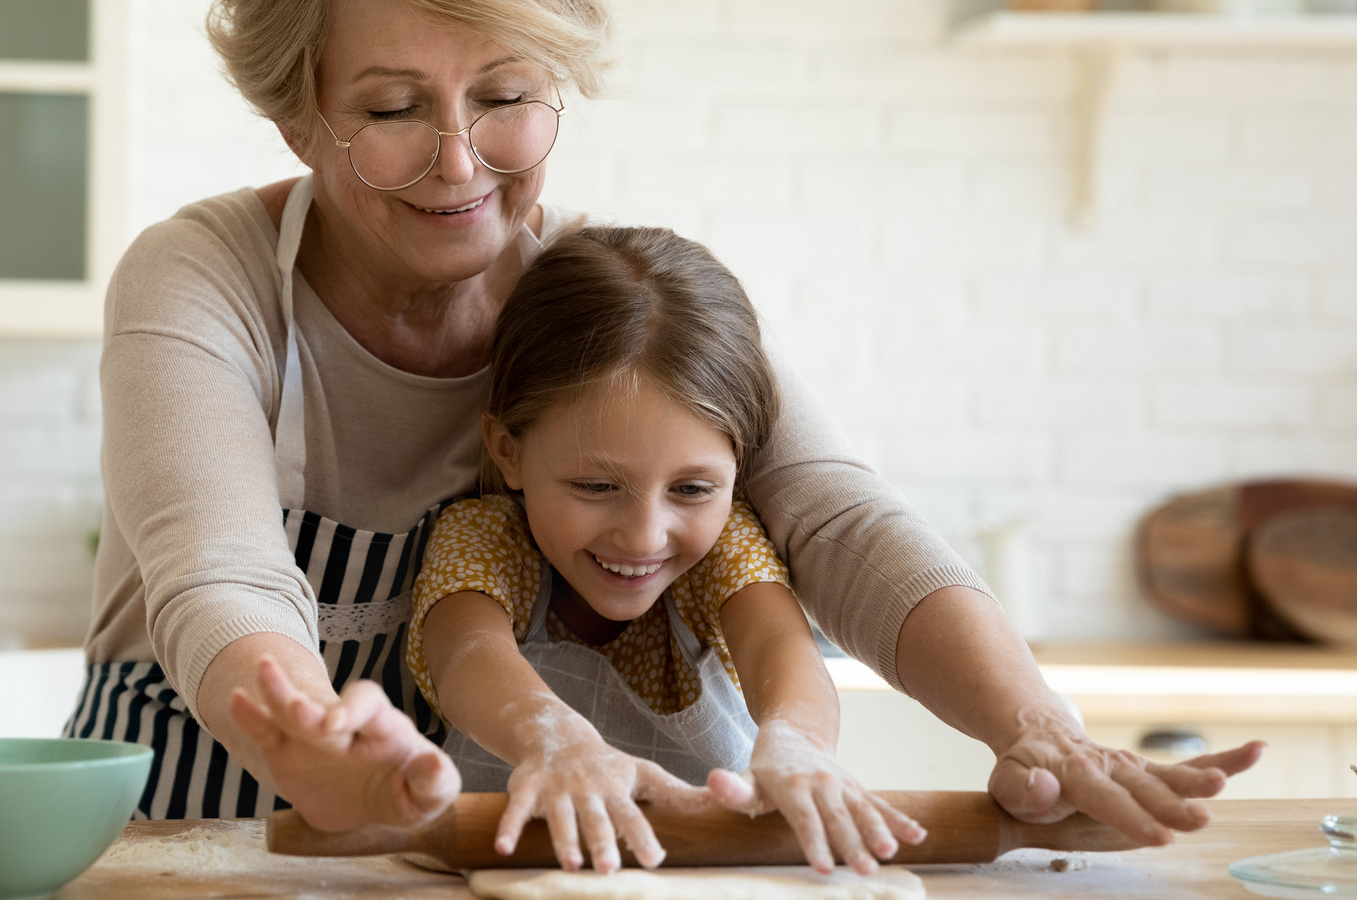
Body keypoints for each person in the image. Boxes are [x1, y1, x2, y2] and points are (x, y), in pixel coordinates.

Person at [67, 0, 1261, 858]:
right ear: (299, 121)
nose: (456, 160)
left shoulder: (601, 305)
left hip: (440, 834)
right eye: (390, 109)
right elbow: (215, 571)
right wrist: (311, 736)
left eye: (504, 99)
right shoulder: (202, 276)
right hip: (183, 822)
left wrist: (1041, 731)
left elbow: (835, 514)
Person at [407, 225, 927, 875]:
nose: (644, 535)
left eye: (692, 488)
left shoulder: (722, 549)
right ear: (508, 449)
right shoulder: (487, 541)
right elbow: (465, 654)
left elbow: (779, 648)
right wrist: (555, 741)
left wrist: (799, 743)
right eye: (596, 486)